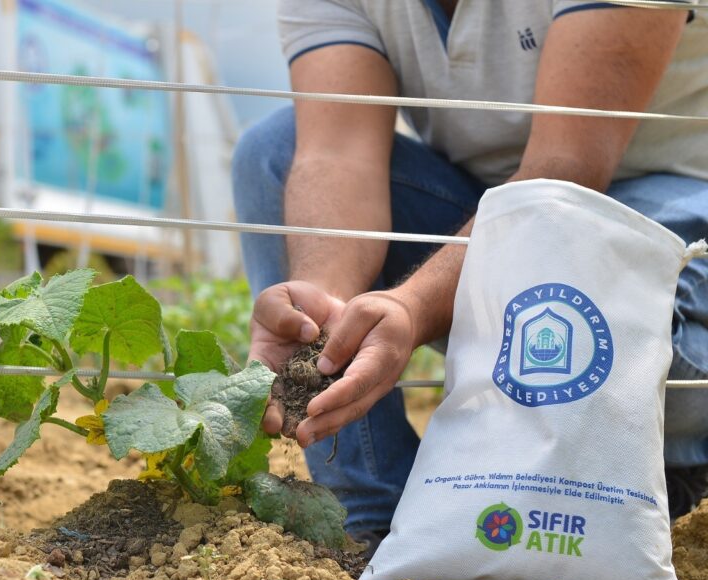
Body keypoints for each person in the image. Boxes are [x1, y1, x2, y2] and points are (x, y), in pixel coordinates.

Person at [233, 0, 708, 550]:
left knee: (623, 345)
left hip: (666, 212)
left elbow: (567, 168)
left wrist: (412, 305)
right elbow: (338, 154)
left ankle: (661, 466)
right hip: (482, 207)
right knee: (274, 151)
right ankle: (369, 520)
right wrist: (324, 319)